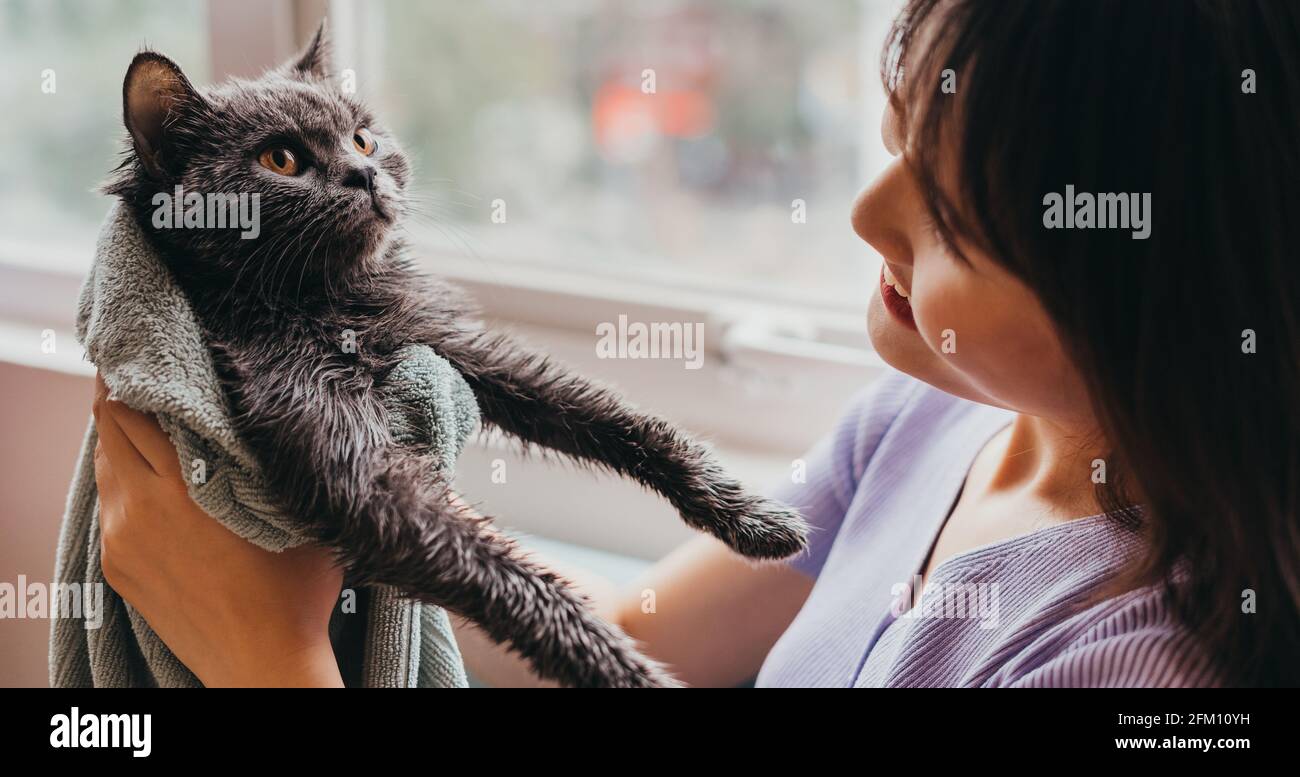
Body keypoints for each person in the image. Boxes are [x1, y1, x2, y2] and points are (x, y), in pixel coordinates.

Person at [91, 0, 1300, 687]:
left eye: (952, 218)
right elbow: (629, 647)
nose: (865, 214)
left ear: (1164, 300)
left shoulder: (1142, 669)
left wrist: (267, 660)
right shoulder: (925, 429)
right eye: (896, 144)